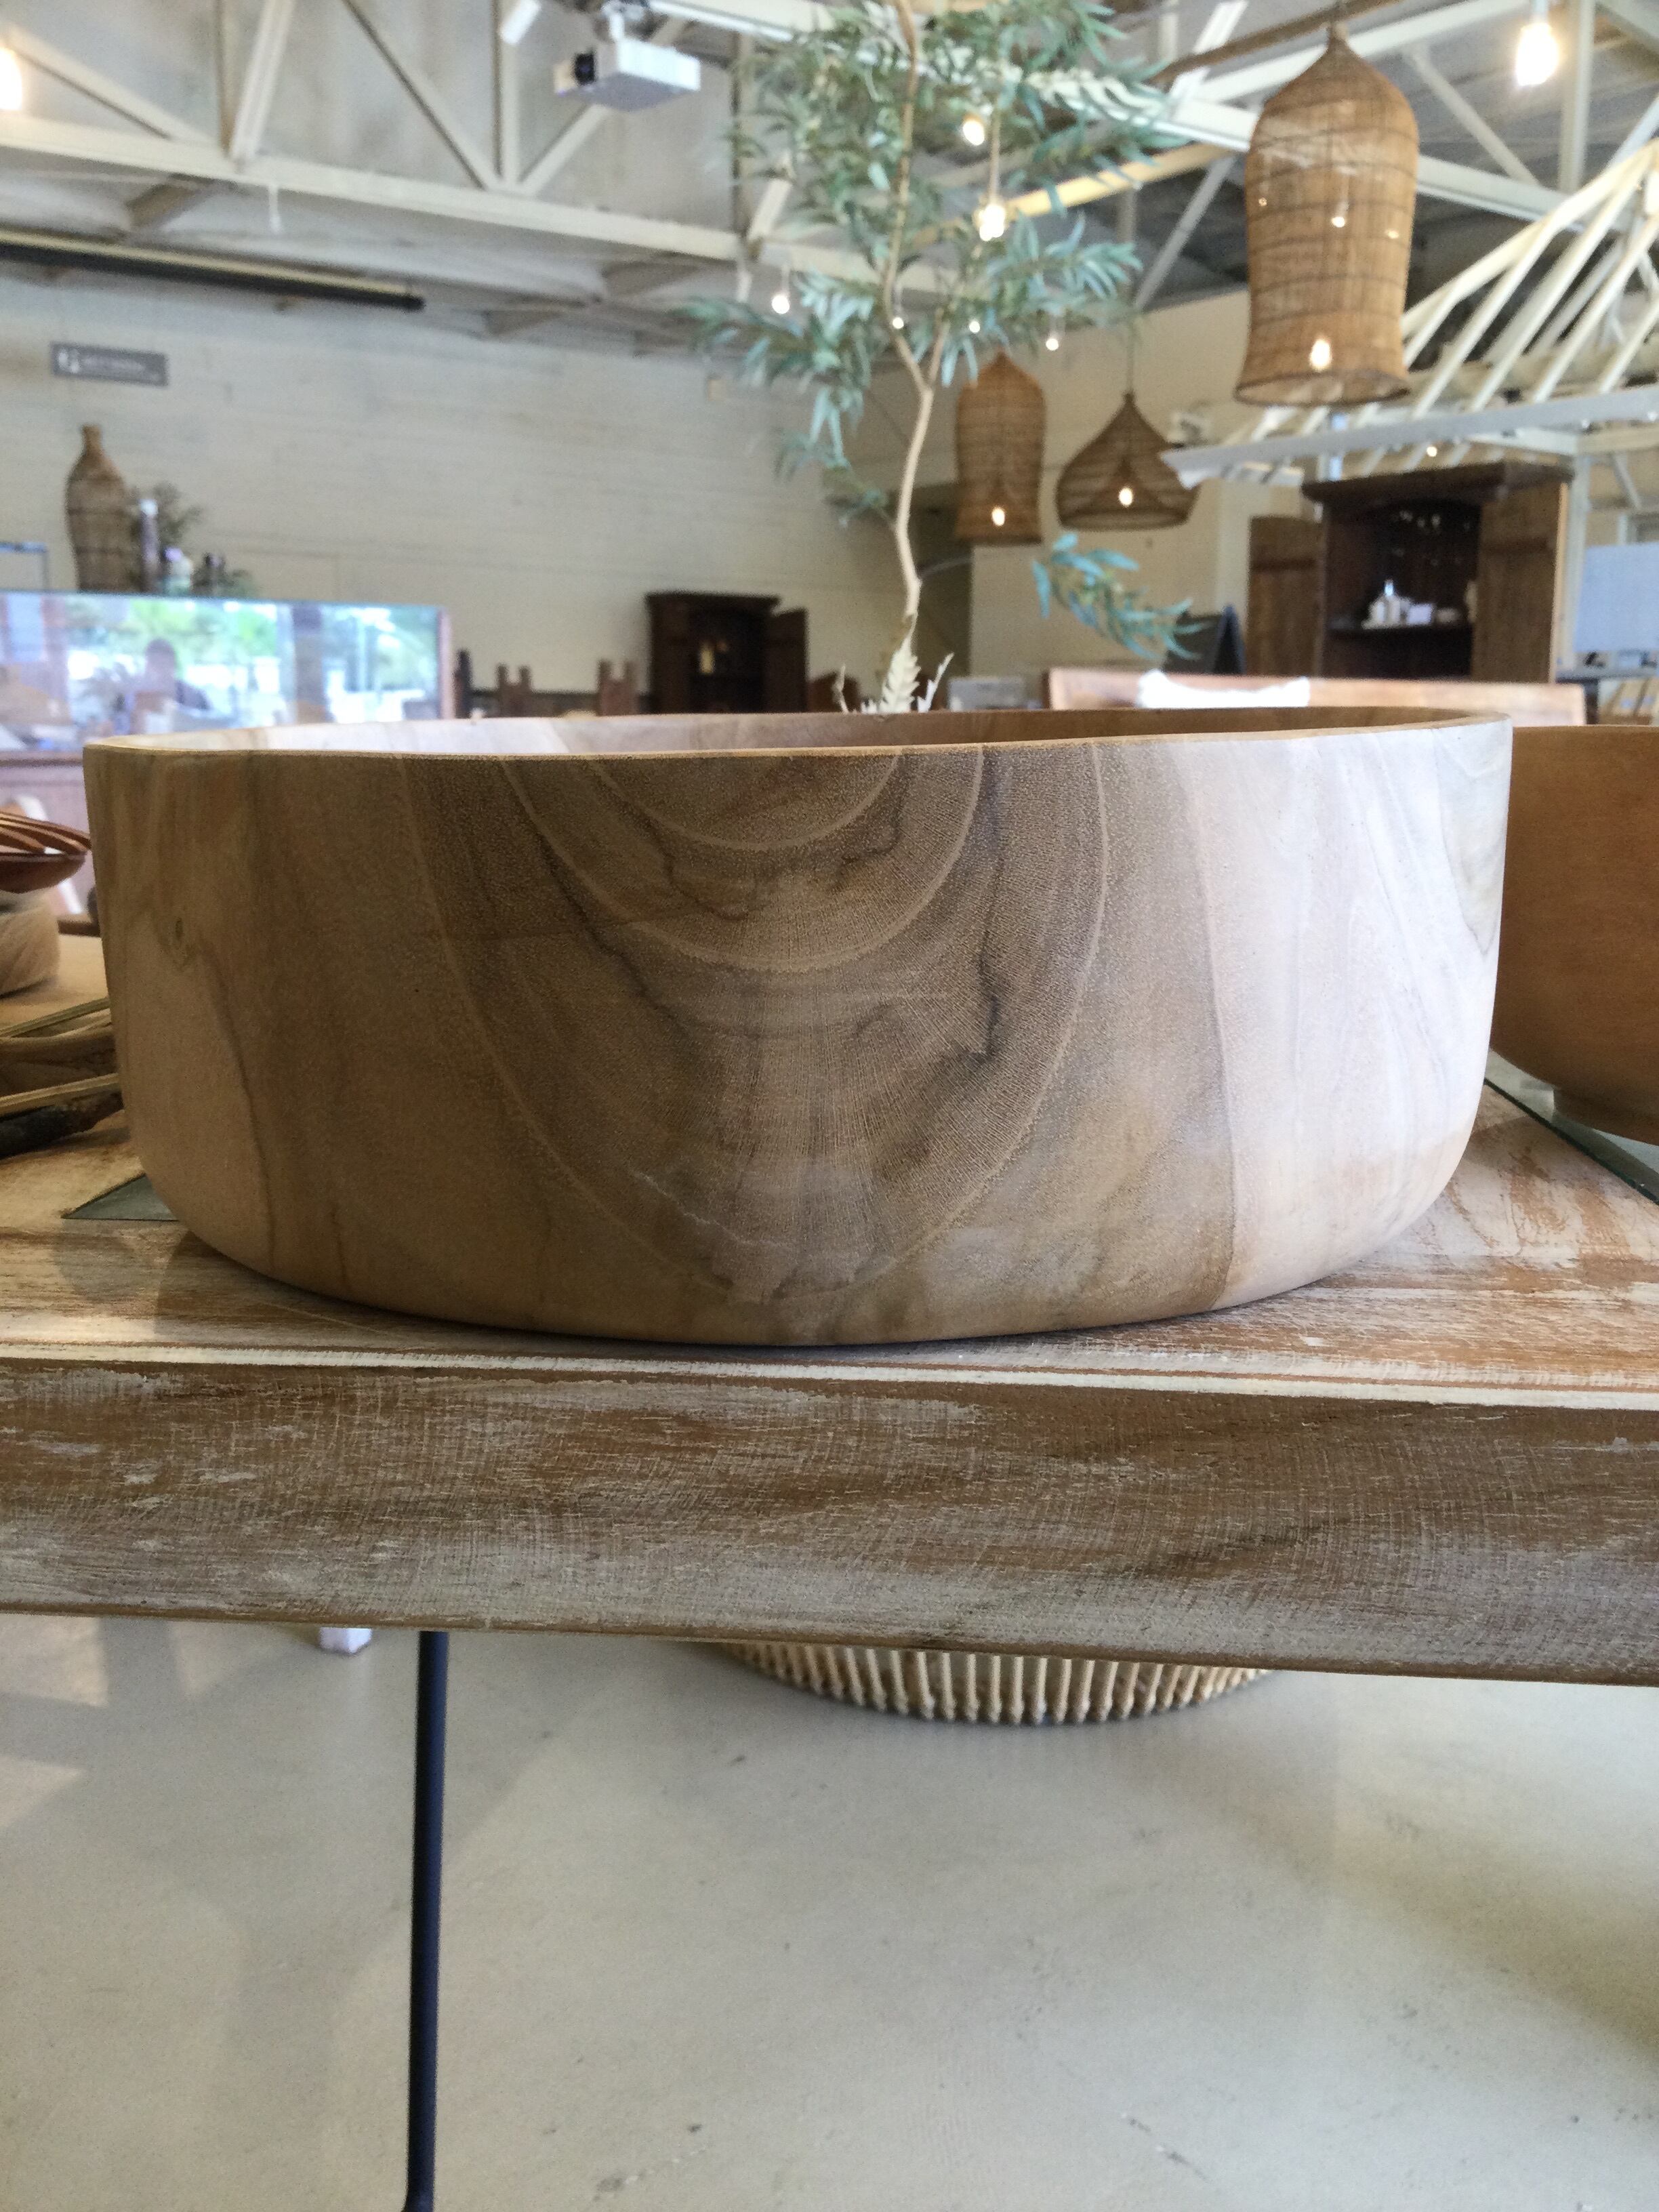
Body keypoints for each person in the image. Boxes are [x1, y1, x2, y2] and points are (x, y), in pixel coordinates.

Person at [117, 639, 210, 733]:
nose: (160, 669)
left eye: (164, 663)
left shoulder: (194, 696)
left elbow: (212, 724)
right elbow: (122, 730)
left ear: (174, 664)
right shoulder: (133, 698)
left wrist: (171, 710)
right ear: (147, 666)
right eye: (154, 663)